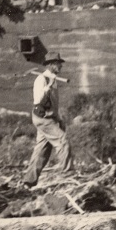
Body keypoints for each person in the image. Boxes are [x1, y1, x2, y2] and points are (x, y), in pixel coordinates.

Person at [23, 52, 74, 186]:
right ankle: (68, 174)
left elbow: (53, 104)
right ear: (51, 65)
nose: (60, 66)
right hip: (42, 118)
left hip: (50, 118)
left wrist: (58, 119)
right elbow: (38, 101)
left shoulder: (54, 80)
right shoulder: (41, 79)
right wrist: (48, 87)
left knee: (42, 150)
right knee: (63, 141)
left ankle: (29, 181)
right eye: (58, 64)